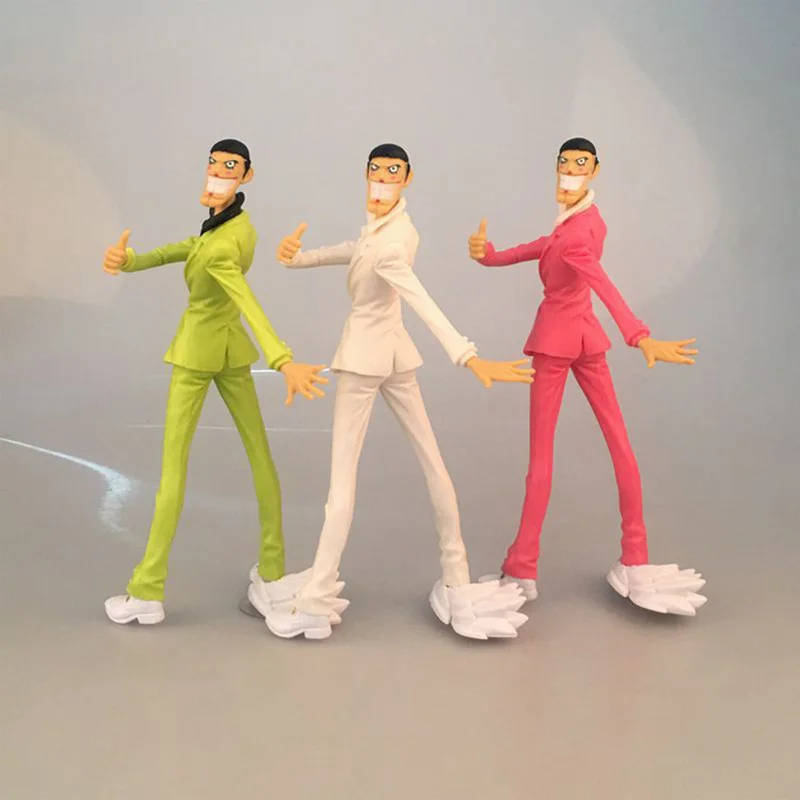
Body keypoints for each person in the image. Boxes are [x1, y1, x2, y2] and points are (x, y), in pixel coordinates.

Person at [249, 143, 532, 640]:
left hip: (364, 360)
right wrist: (300, 258)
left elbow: (420, 297)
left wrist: (467, 354)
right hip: (396, 356)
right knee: (433, 464)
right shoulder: (389, 229)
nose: (380, 181)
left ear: (407, 179)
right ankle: (456, 577)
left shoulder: (393, 243)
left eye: (391, 173)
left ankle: (315, 598)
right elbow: (353, 250)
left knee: (342, 485)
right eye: (375, 172)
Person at [468, 137, 707, 616]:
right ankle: (634, 555)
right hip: (586, 338)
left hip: (556, 342)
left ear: (595, 170)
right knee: (619, 443)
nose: (569, 172)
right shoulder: (579, 222)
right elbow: (542, 247)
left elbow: (600, 281)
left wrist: (639, 335)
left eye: (579, 164)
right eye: (564, 163)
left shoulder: (578, 231)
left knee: (543, 458)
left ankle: (523, 565)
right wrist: (488, 254)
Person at [103, 139, 327, 625]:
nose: (218, 172)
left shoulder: (226, 240)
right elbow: (187, 248)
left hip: (197, 354)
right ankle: (272, 570)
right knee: (260, 455)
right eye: (213, 163)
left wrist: (282, 358)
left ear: (247, 176)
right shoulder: (231, 225)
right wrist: (132, 261)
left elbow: (245, 298)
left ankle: (146, 589)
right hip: (230, 350)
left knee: (173, 471)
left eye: (229, 166)